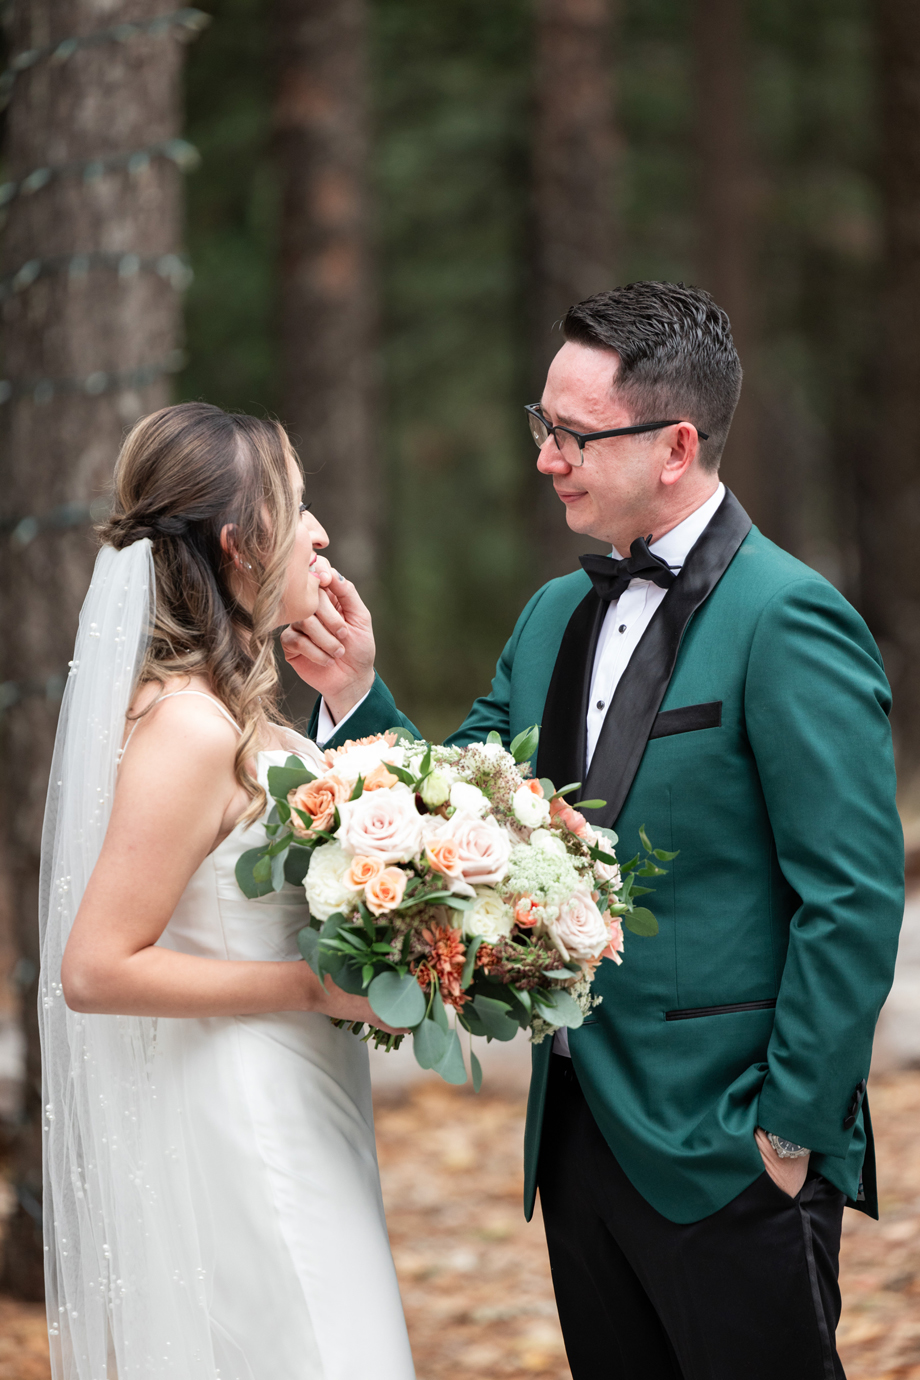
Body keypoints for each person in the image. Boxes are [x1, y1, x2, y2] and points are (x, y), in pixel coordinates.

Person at [281, 282, 904, 1380]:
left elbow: (850, 897)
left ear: (674, 446)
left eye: (572, 434)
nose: (545, 457)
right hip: (574, 1141)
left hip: (728, 1150)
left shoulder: (789, 616)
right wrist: (354, 694)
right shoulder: (548, 616)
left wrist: (786, 1134)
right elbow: (456, 803)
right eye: (542, 424)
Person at [42, 402, 415, 1380]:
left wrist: (355, 693)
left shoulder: (227, 712)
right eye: (300, 507)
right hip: (250, 1115)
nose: (321, 535)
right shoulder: (189, 726)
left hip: (300, 1096)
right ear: (240, 545)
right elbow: (94, 968)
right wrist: (304, 987)